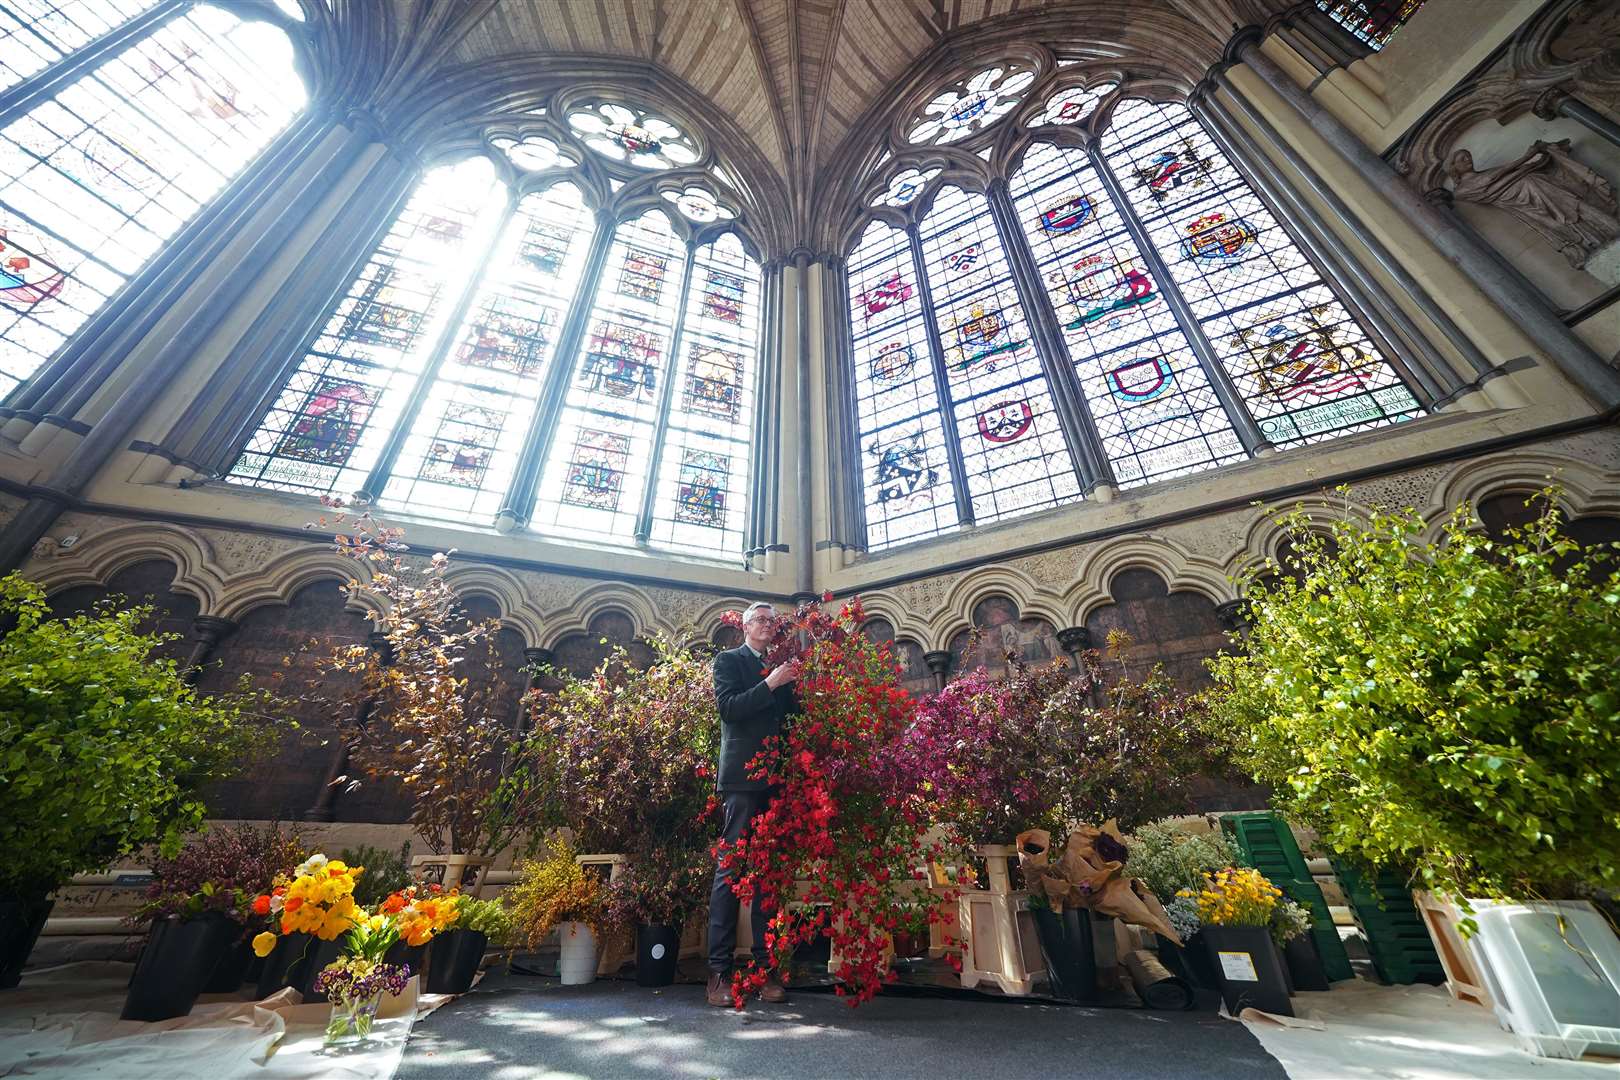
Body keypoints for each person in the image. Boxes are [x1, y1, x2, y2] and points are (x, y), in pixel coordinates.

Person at [706, 600, 800, 1007]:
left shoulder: (780, 669)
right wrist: (770, 685)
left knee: (767, 874)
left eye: (771, 621)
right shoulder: (729, 661)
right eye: (760, 619)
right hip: (742, 781)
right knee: (730, 871)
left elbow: (791, 722)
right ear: (745, 627)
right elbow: (728, 709)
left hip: (775, 782)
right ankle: (718, 974)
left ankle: (767, 971)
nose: (767, 625)